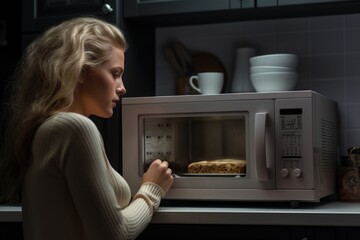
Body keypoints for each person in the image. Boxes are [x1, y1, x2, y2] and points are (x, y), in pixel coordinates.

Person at [0, 17, 174, 239]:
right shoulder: (76, 128)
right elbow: (116, 233)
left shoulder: (45, 128)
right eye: (115, 74)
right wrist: (152, 189)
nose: (122, 88)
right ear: (81, 70)